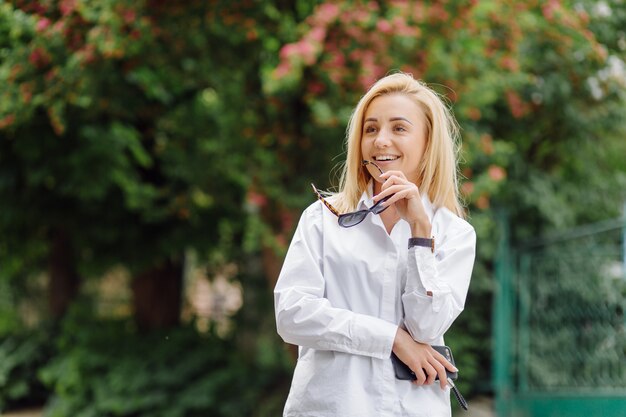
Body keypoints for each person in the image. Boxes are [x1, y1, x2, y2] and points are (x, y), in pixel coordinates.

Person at [274, 72, 476, 417]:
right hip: (329, 407)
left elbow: (427, 327)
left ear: (428, 143)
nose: (380, 140)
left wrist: (419, 232)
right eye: (371, 129)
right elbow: (292, 316)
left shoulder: (453, 232)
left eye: (399, 128)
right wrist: (392, 339)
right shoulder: (322, 219)